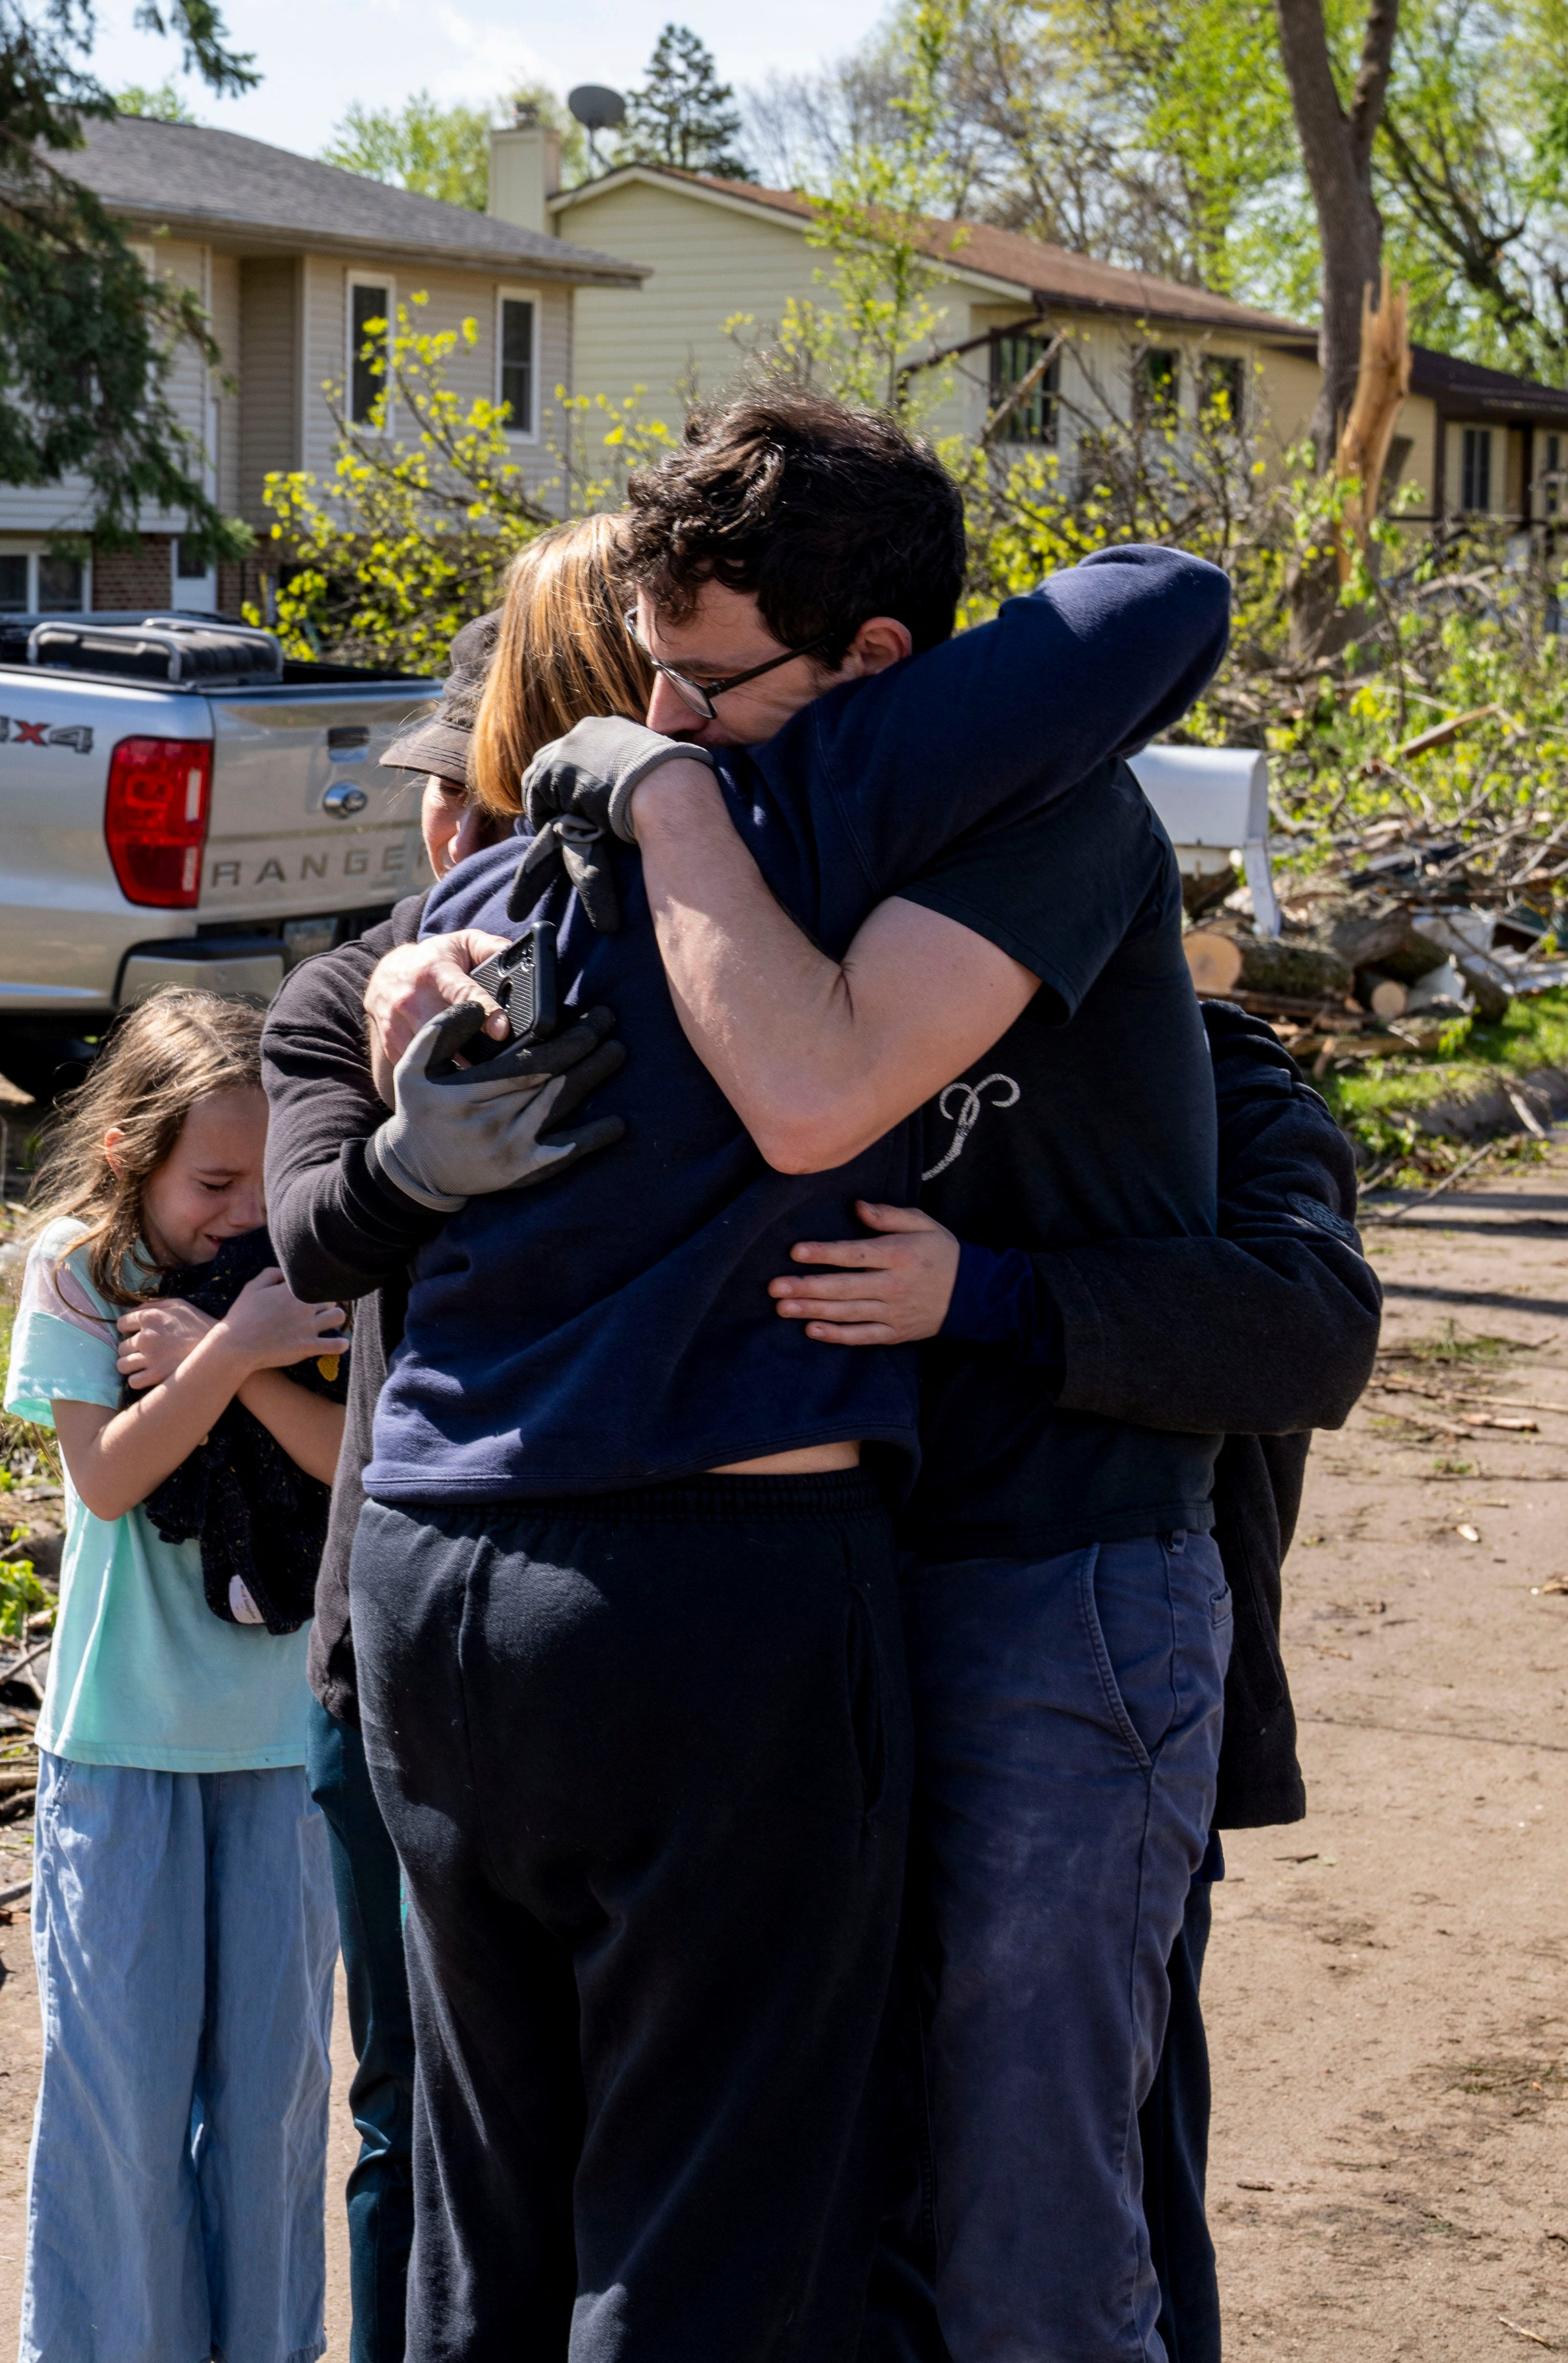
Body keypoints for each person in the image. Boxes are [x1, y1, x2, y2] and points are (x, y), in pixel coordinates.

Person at [327, 391, 1233, 2361]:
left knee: (997, 2227)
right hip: (748, 1589)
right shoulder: (706, 830)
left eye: (706, 680)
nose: (661, 716)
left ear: (881, 671)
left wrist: (651, 810)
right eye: (635, 679)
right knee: (716, 2229)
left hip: (1015, 1577)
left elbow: (1168, 596)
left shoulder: (901, 813)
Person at [761, 1007, 1375, 2363]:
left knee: (1090, 2194)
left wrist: (989, 1294)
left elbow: (1312, 1326)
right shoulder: (843, 1039)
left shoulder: (1214, 1071)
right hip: (843, 1682)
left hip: (1099, 1699)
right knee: (878, 2204)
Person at [261, 536, 642, 2363]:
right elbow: (317, 1235)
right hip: (384, 1632)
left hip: (609, 1610)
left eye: (465, 787)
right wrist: (421, 1152)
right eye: (437, 792)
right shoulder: (342, 1001)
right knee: (416, 2111)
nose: (438, 827)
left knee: (594, 2134)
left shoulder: (658, 950)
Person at [5, 987, 350, 2363]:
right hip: (121, 1747)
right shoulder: (76, 1272)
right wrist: (234, 1354)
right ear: (128, 1161)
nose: (240, 1213)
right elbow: (106, 1478)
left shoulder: (305, 1277)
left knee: (272, 2109)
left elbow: (349, 1464)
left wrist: (243, 1356)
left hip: (282, 1747)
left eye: (265, 1180)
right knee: (121, 2109)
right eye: (211, 1182)